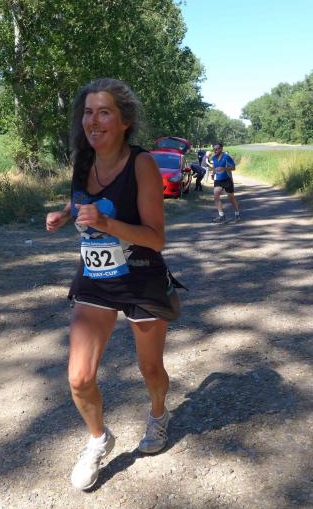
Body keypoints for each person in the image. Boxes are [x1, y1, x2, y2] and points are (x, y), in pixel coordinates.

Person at [46, 78, 182, 491]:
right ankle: (98, 439)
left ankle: (158, 415)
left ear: (124, 122)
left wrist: (106, 223)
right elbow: (80, 199)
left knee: (150, 368)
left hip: (141, 276)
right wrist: (65, 214)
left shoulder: (142, 164)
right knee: (79, 377)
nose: (94, 120)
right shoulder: (82, 160)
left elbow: (156, 238)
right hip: (96, 278)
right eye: (88, 112)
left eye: (104, 112)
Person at [210, 142, 240, 222]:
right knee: (216, 196)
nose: (215, 150)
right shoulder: (214, 158)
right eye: (214, 149)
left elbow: (233, 167)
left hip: (227, 179)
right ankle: (221, 216)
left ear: (221, 149)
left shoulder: (226, 157)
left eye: (217, 149)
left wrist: (224, 168)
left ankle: (237, 214)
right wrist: (213, 174)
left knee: (231, 198)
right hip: (218, 180)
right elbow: (215, 167)